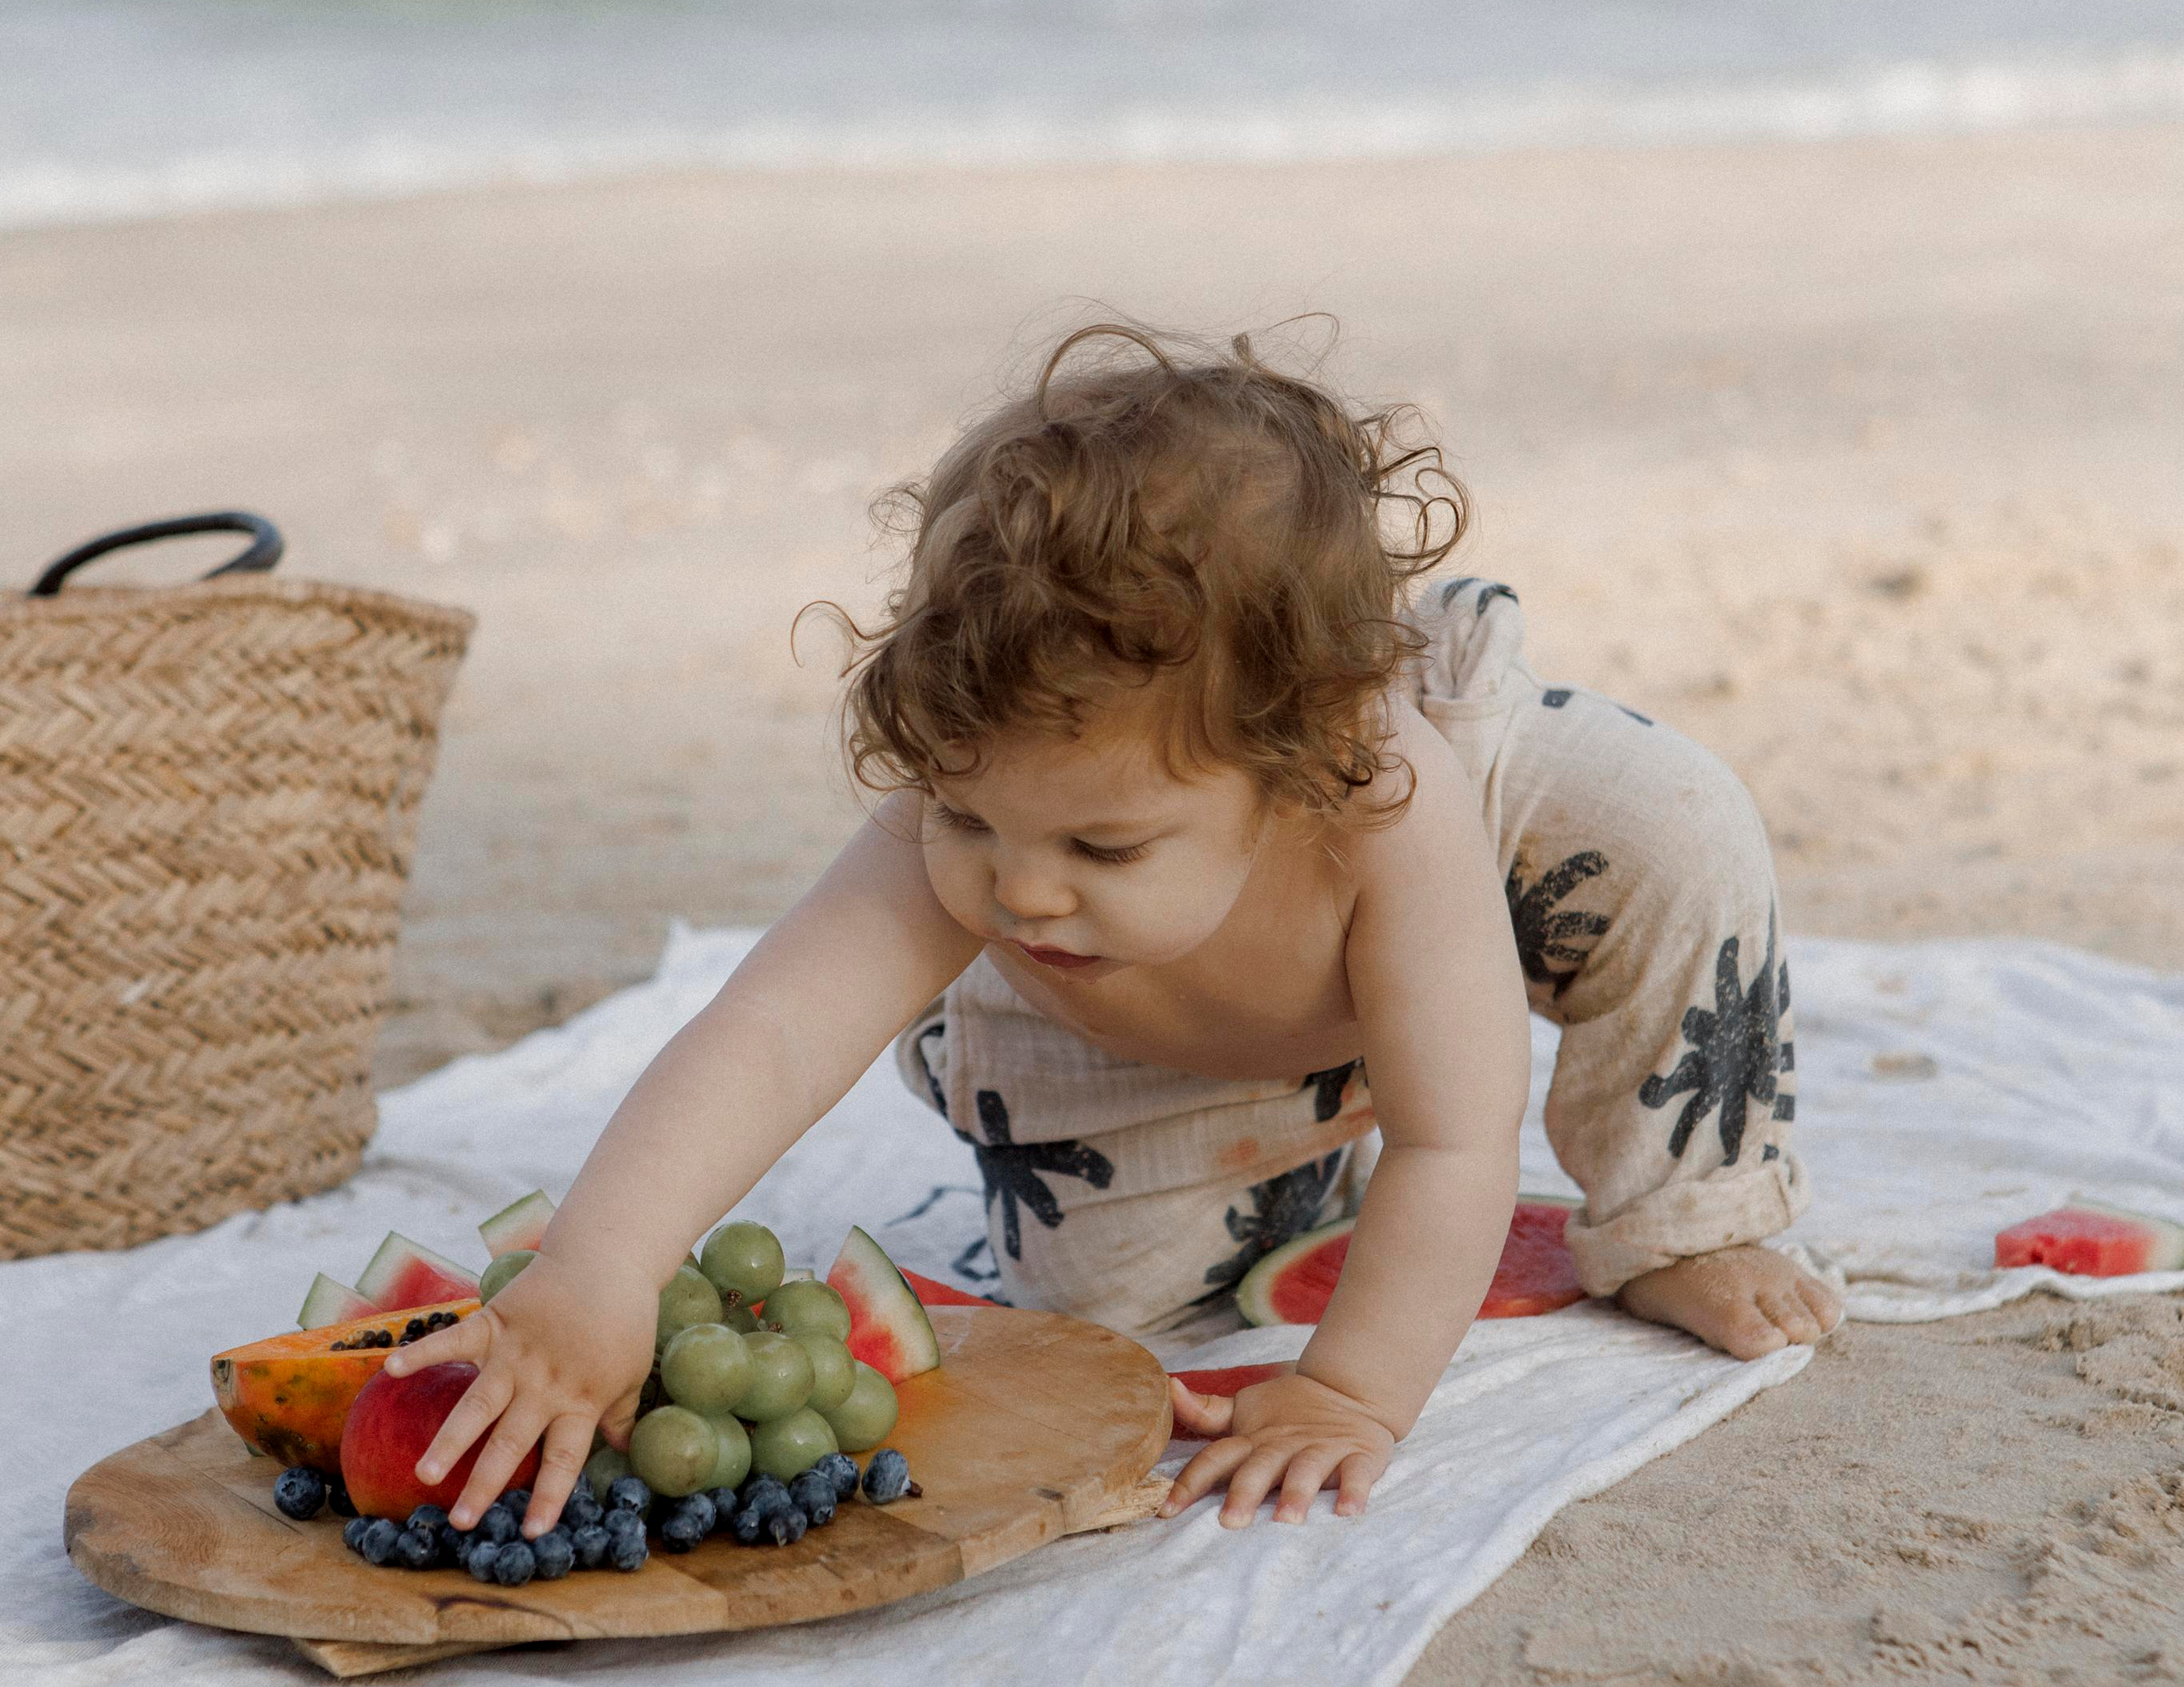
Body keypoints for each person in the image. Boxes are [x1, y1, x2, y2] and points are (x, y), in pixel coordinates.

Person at [391, 323, 1839, 1539]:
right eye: (968, 819)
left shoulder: (1392, 795)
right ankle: (1294, 1151)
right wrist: (596, 1265)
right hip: (1125, 1030)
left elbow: (1458, 1137)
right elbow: (769, 1036)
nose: (1018, 894)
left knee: (1670, 828)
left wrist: (1353, 1390)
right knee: (1122, 1314)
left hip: (1452, 927)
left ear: (1303, 757)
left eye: (1099, 842)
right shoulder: (992, 797)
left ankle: (1679, 1214)